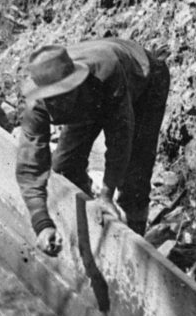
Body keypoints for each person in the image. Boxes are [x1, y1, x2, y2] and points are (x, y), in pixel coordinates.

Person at [15, 38, 170, 256]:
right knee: (65, 167)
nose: (58, 105)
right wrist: (42, 224)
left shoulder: (107, 74)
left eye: (63, 96)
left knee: (134, 175)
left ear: (74, 84)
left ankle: (134, 247)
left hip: (143, 80)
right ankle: (91, 225)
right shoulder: (36, 106)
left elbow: (120, 138)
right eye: (52, 100)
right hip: (90, 97)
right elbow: (30, 167)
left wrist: (107, 194)